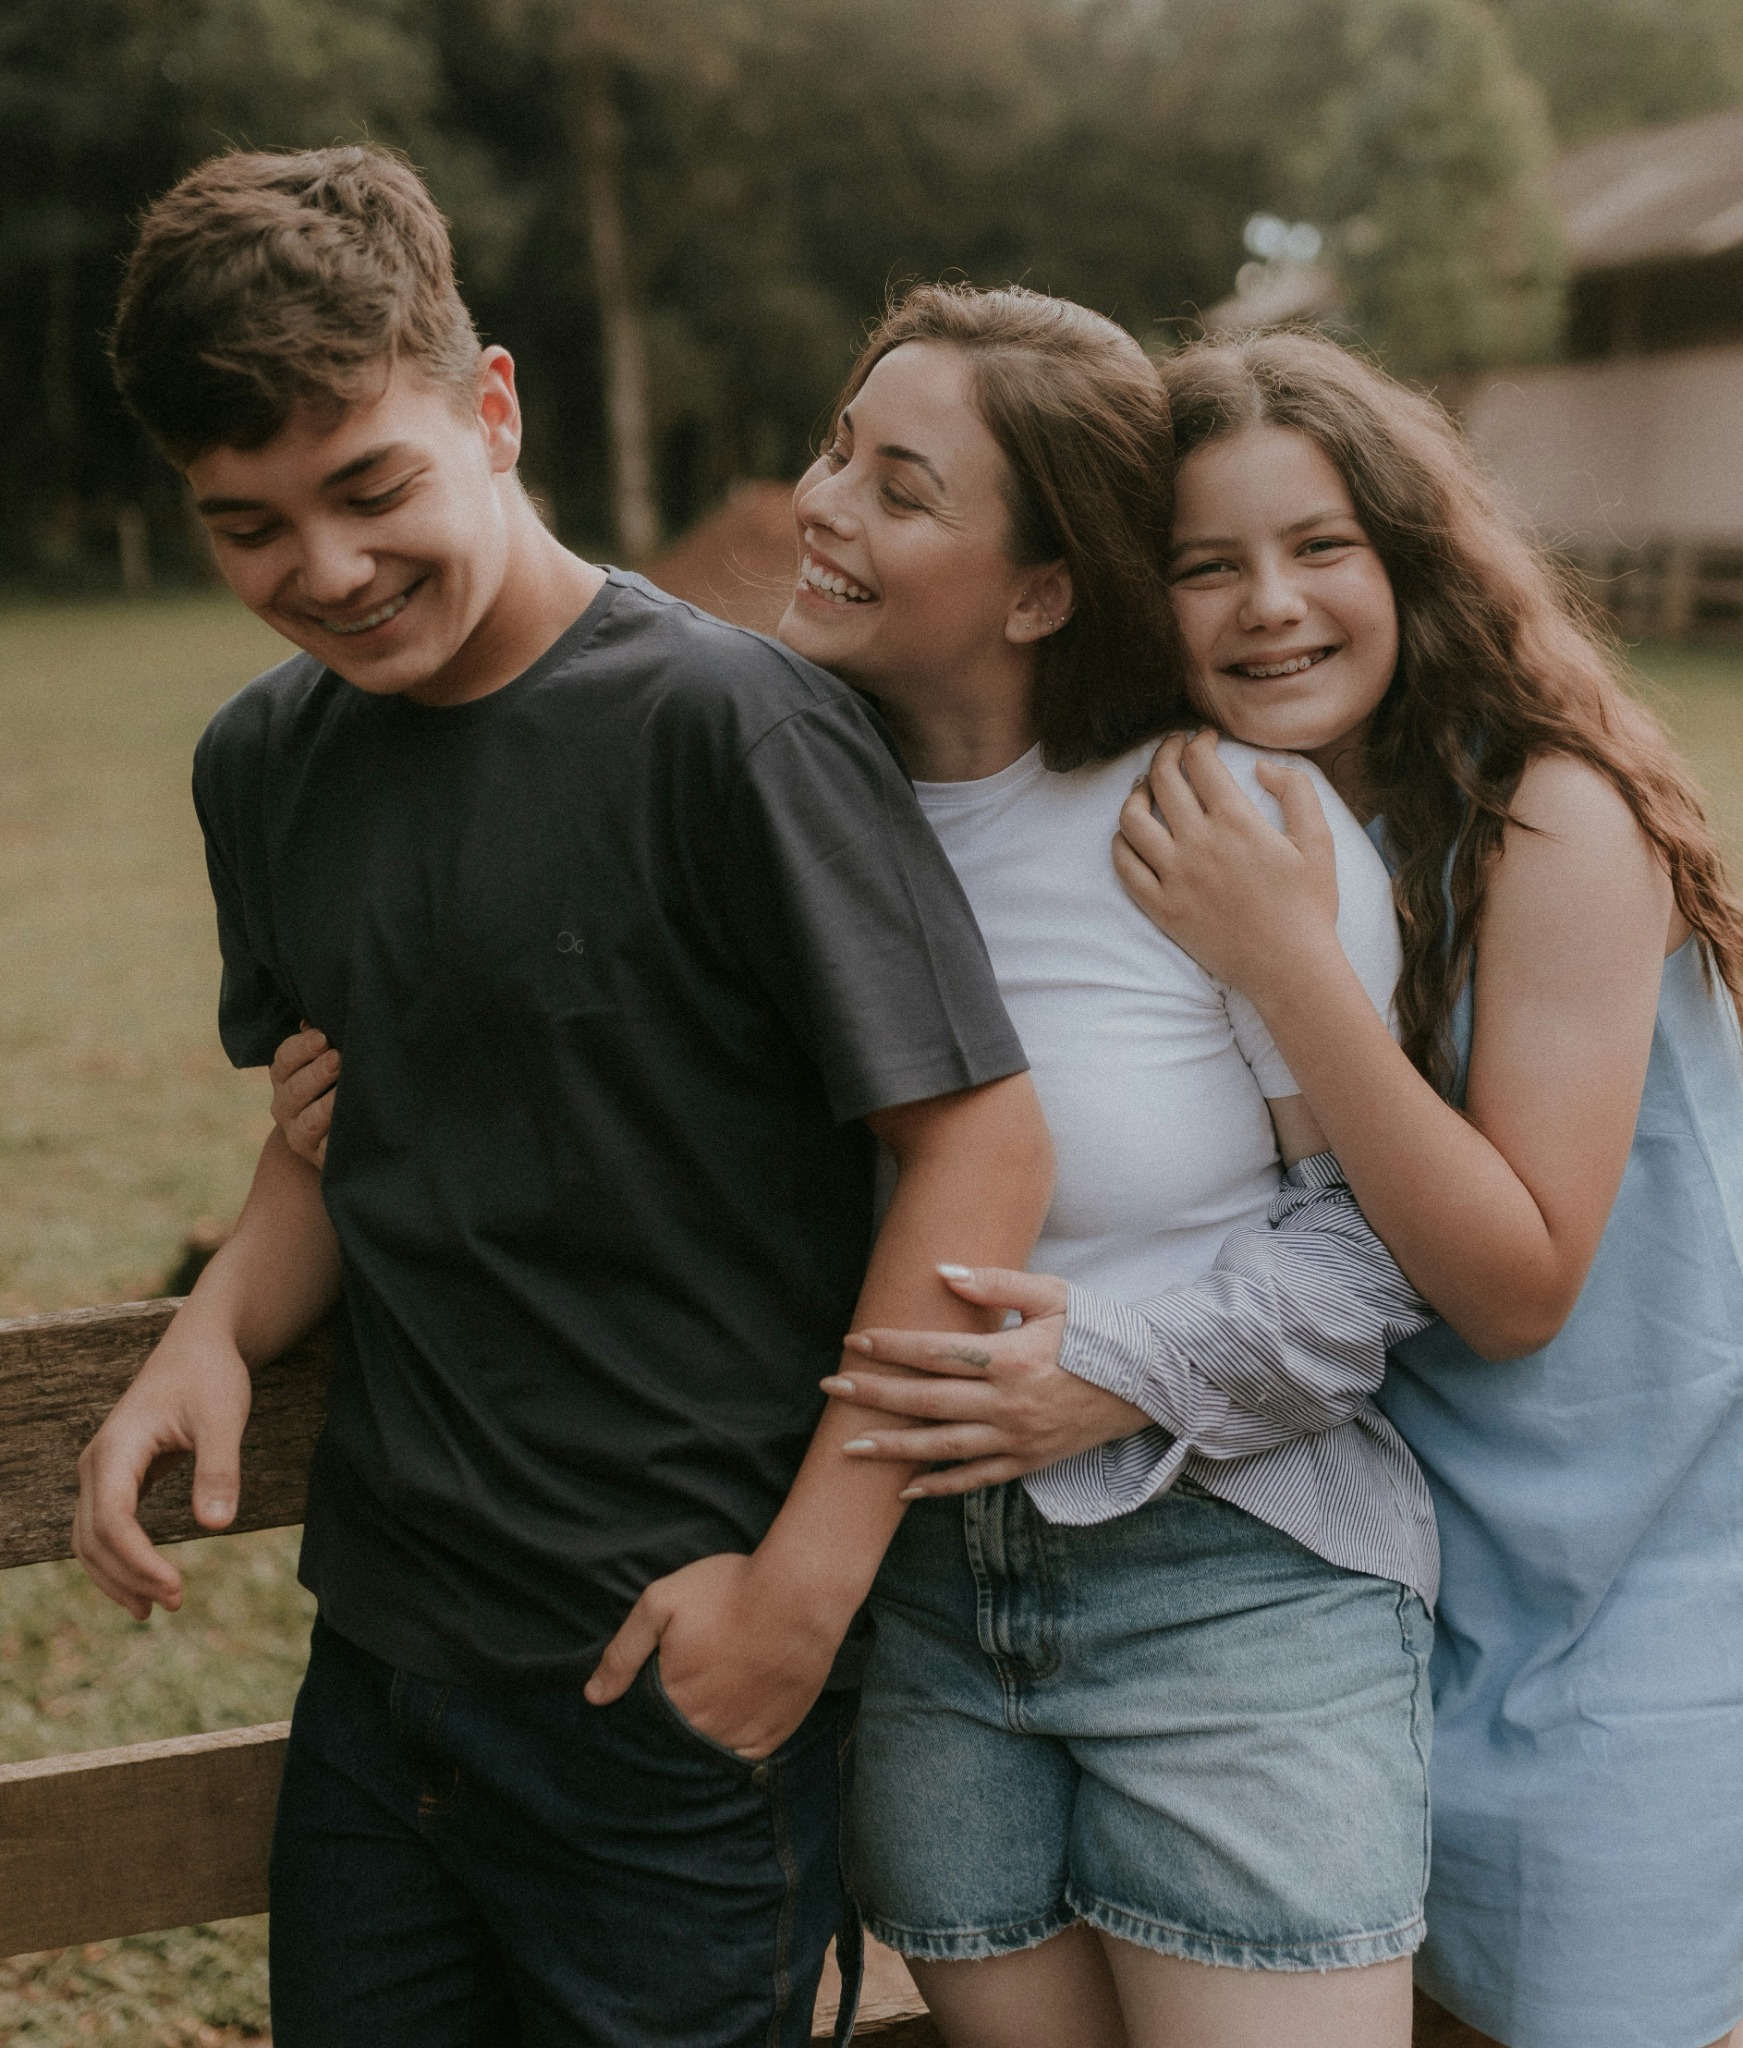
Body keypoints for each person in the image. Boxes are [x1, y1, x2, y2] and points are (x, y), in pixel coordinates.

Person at [280, 282, 1440, 2048]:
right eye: (838, 448)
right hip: (915, 1618)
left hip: (1226, 1585)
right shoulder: (753, 790)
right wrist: (364, 1102)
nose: (821, 503)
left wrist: (1107, 1378)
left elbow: (1370, 1255)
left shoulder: (1219, 823)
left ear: (1043, 589)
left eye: (900, 487)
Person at [74, 145, 1057, 2048]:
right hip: (379, 1667)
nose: (329, 571)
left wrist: (800, 1597)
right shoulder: (262, 766)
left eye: (372, 487)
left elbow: (977, 1143)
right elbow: (337, 1118)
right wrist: (211, 1329)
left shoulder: (732, 728)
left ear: (492, 409)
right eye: (249, 526)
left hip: (669, 1686)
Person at [1111, 328, 1743, 2048]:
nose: (1268, 604)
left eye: (1321, 547)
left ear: (1411, 559)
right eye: (1204, 566)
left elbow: (1521, 1284)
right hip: (1396, 1570)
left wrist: (1287, 966)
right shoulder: (1219, 814)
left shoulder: (1552, 819)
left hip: (1635, 1581)